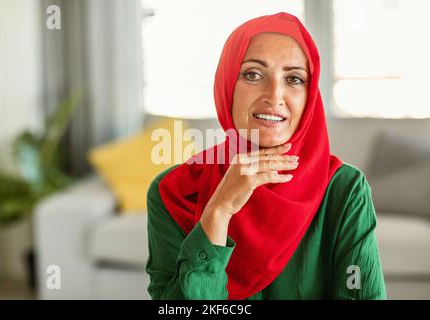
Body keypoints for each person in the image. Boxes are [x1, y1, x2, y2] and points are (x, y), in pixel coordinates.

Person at [145, 12, 387, 300]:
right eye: (253, 74)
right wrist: (218, 211)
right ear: (226, 86)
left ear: (310, 97)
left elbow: (359, 292)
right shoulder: (173, 191)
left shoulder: (344, 190)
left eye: (294, 78)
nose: (274, 95)